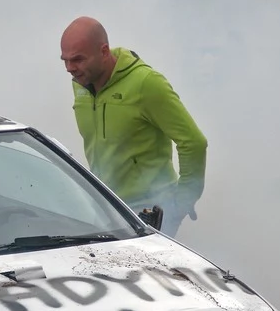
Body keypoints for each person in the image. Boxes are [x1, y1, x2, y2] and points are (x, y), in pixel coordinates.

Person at [60, 16, 207, 237]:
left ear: (104, 51)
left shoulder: (146, 83)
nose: (70, 68)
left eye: (78, 59)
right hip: (108, 210)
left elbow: (193, 142)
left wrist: (183, 201)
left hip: (150, 213)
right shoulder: (81, 82)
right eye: (66, 60)